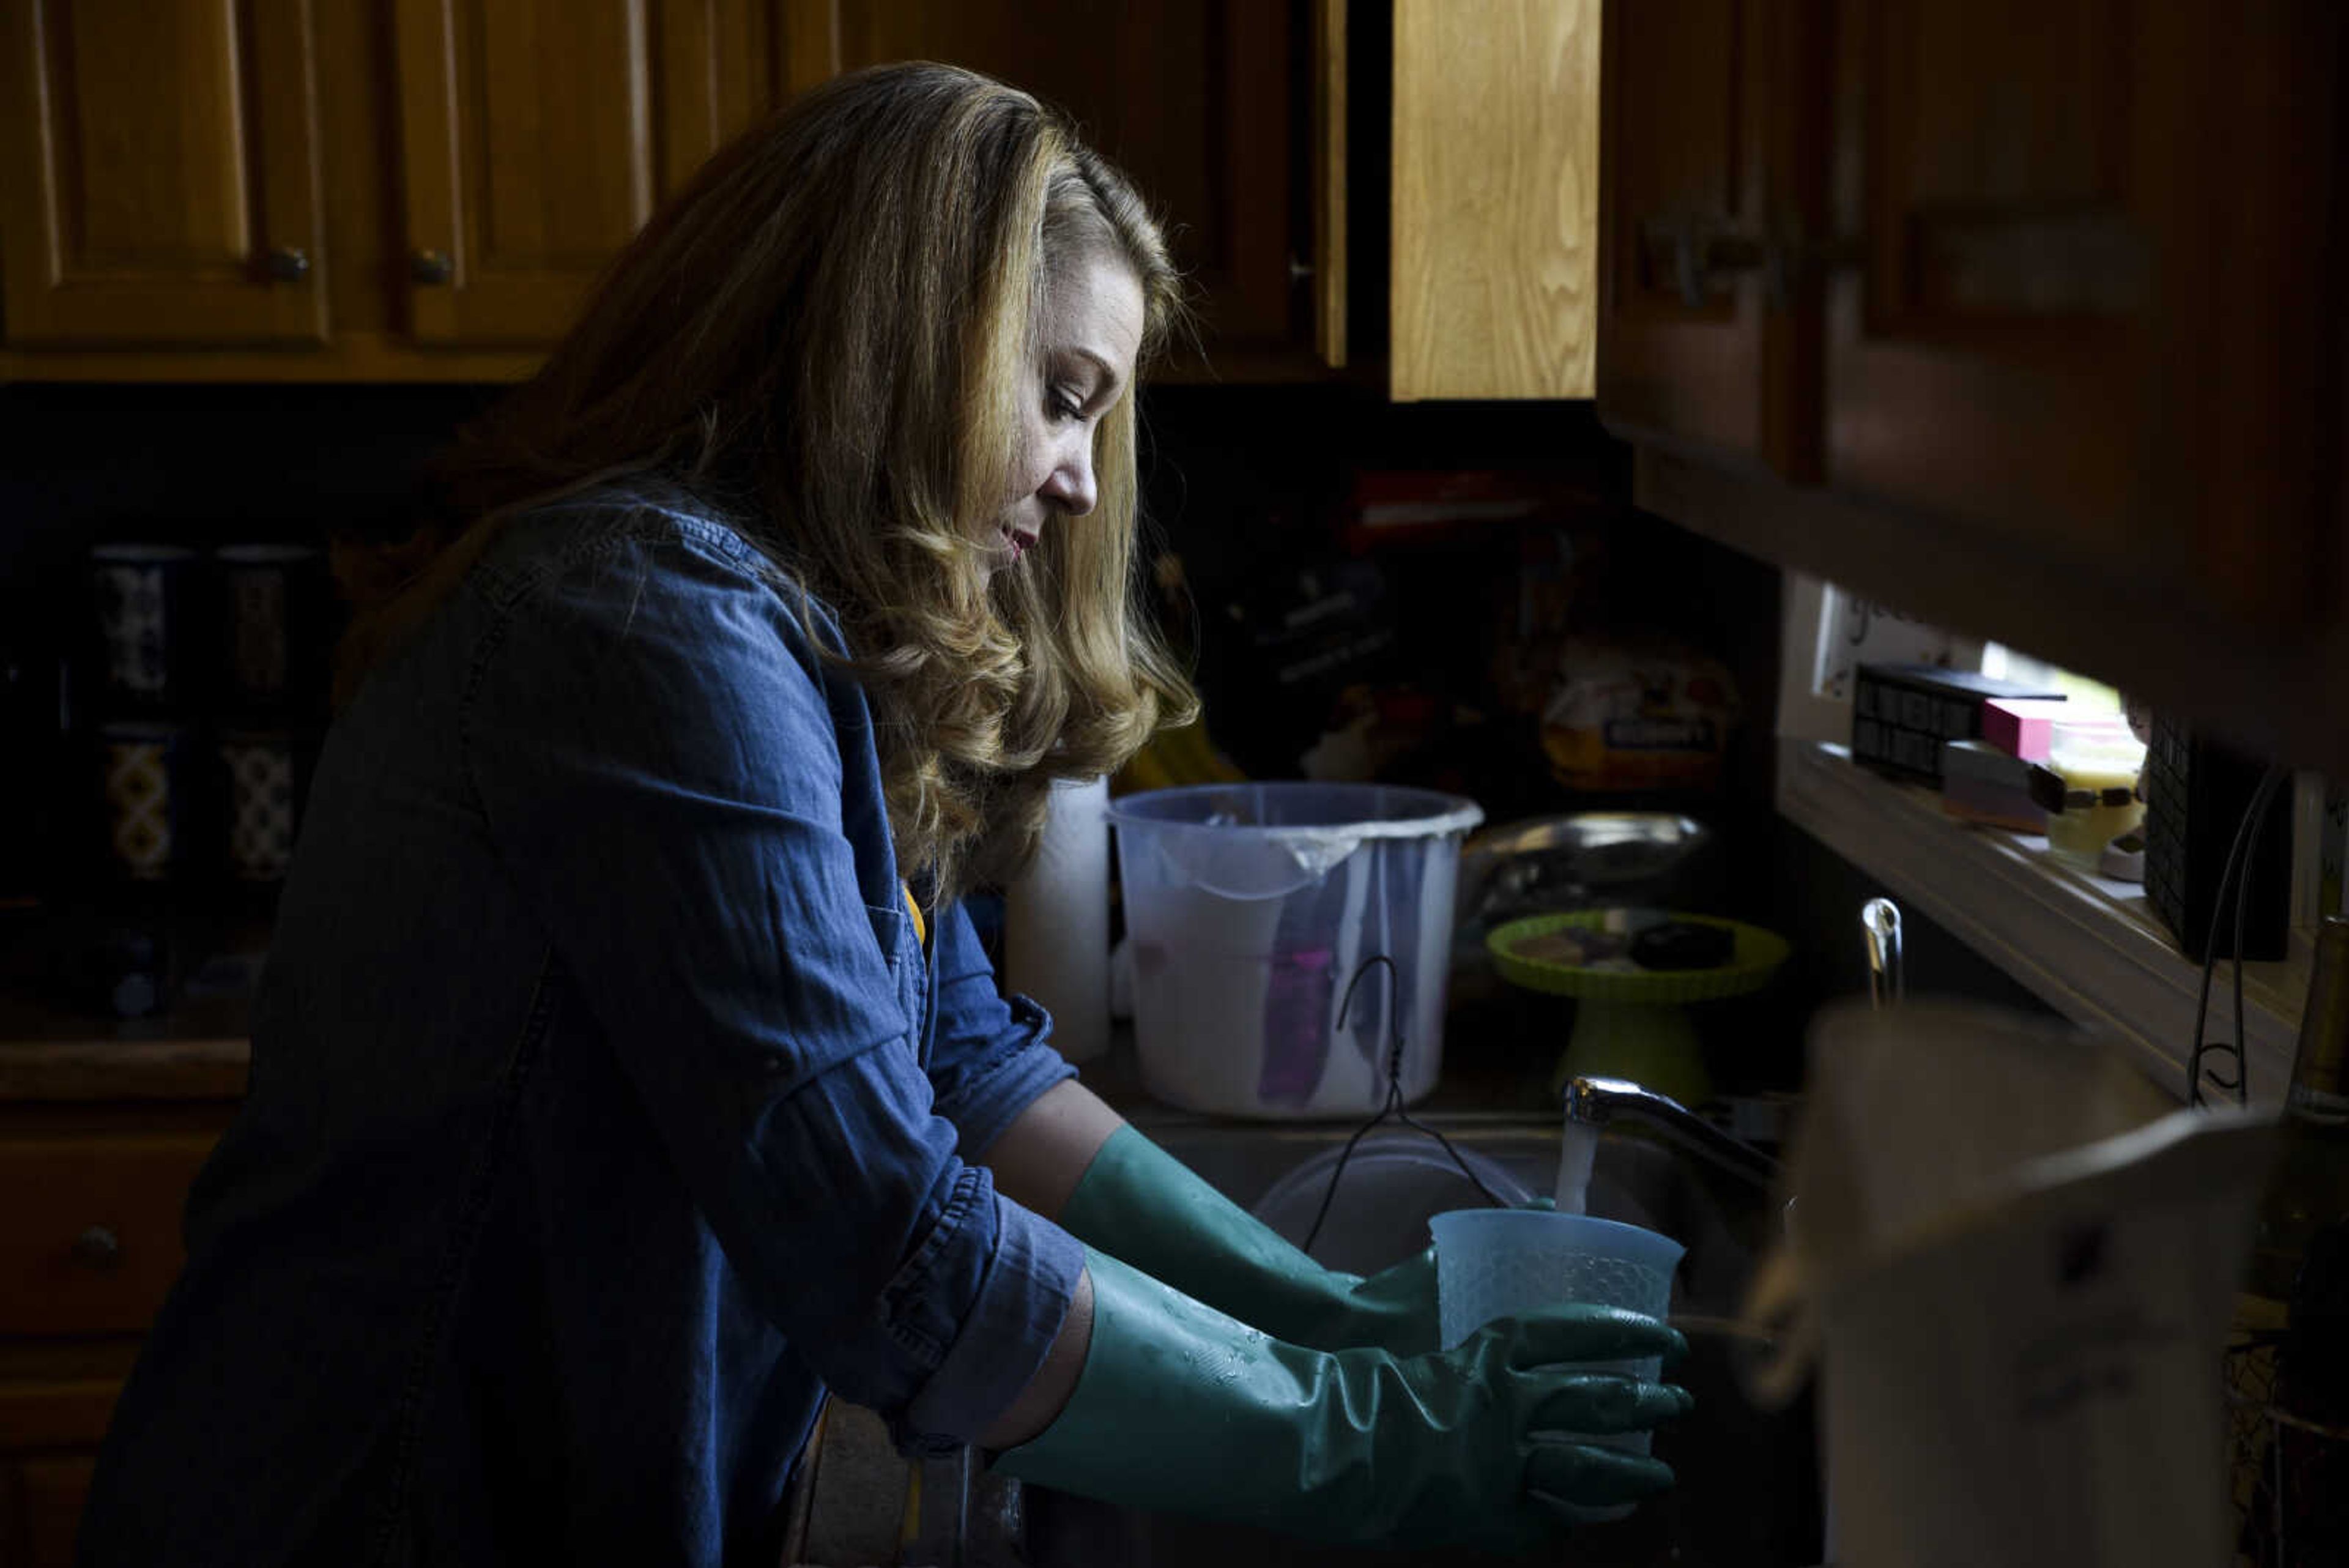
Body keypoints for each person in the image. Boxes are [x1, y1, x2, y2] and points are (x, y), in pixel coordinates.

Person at [77, 62, 1690, 1566]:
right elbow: (888, 1240)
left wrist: (1328, 1311)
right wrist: (1366, 1439)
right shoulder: (641, 619)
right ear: (900, 337)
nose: (1076, 478)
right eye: (1061, 394)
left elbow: (962, 1061)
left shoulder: (792, 629)